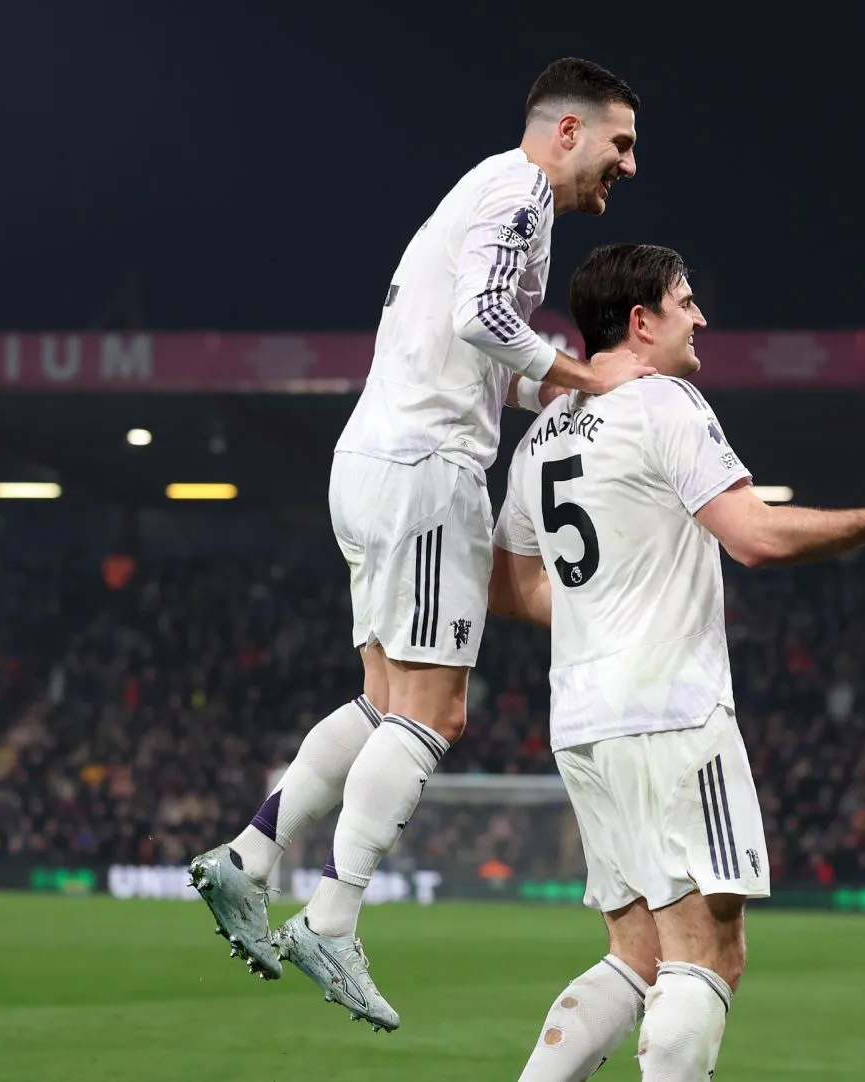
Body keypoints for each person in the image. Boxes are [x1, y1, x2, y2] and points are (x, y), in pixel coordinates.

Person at [188, 57, 652, 1032]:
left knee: (384, 699)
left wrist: (569, 381)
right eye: (619, 144)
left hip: (372, 460)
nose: (628, 166)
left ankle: (250, 854)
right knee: (436, 711)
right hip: (430, 469)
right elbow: (481, 320)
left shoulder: (481, 194)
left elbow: (485, 357)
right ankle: (333, 914)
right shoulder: (520, 195)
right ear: (565, 130)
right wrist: (601, 380)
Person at [487, 243, 865, 1081]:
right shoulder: (665, 402)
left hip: (582, 722)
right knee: (709, 953)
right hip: (672, 712)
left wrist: (607, 601)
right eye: (686, 301)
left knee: (636, 952)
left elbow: (506, 584)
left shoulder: (542, 435)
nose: (701, 316)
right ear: (641, 322)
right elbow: (753, 537)